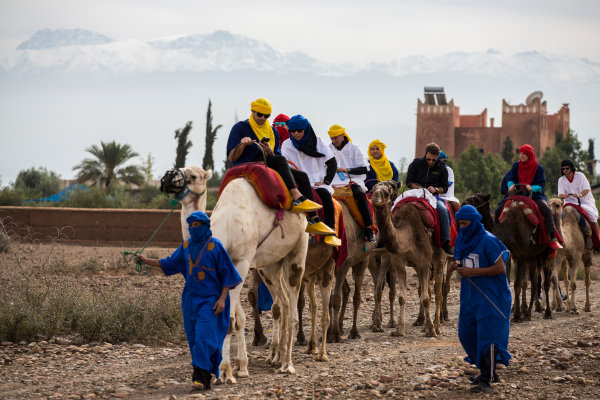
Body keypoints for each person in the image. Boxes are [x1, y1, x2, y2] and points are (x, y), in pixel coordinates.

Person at [135, 211, 243, 390]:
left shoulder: (215, 246)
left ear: (205, 226)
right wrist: (146, 260)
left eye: (197, 225)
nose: (194, 229)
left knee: (203, 336)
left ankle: (199, 378)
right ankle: (205, 376)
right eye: (191, 226)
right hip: (190, 300)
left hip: (211, 300)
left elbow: (228, 274)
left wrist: (223, 299)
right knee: (193, 338)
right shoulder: (186, 246)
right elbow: (169, 263)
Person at [226, 97, 332, 236]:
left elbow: (275, 155)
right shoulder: (240, 128)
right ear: (252, 112)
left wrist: (269, 151)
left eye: (266, 115)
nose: (263, 118)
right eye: (259, 114)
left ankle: (313, 219)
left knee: (302, 176)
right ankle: (297, 197)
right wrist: (242, 145)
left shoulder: (272, 131)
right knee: (281, 160)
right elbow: (231, 157)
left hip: (265, 164)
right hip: (245, 166)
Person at [448, 205, 512, 393]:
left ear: (475, 222)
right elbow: (461, 259)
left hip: (492, 296)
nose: (462, 227)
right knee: (467, 334)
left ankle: (487, 379)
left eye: (465, 223)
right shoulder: (461, 238)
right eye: (459, 224)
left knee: (488, 337)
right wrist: (455, 265)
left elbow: (500, 268)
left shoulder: (488, 241)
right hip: (470, 295)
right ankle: (487, 370)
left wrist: (471, 271)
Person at [281, 114, 342, 247]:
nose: (296, 133)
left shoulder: (318, 142)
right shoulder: (287, 144)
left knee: (325, 195)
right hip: (297, 181)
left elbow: (332, 163)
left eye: (299, 131)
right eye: (292, 131)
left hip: (316, 181)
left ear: (306, 129)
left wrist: (326, 182)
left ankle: (331, 232)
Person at [494, 144, 562, 250]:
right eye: (520, 153)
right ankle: (495, 238)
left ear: (529, 155)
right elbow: (511, 178)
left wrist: (532, 187)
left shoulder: (539, 168)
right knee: (498, 210)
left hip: (534, 195)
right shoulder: (516, 165)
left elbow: (541, 185)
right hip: (517, 194)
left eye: (524, 154)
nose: (521, 155)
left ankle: (553, 238)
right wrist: (510, 185)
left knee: (546, 210)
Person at [328, 124, 376, 242]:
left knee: (359, 194)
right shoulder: (328, 149)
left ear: (342, 136)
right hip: (332, 181)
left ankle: (368, 228)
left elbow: (364, 168)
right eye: (332, 139)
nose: (333, 141)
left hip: (352, 179)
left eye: (336, 138)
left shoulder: (354, 148)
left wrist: (347, 170)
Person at [405, 142, 452, 254]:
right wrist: (416, 186)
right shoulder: (415, 164)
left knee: (443, 210)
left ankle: (445, 242)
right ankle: (386, 238)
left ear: (437, 158)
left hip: (433, 197)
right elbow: (408, 182)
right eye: (428, 159)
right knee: (396, 205)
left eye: (433, 160)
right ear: (426, 154)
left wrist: (436, 189)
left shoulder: (442, 168)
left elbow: (444, 188)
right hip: (415, 194)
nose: (431, 162)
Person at [558, 158, 599, 231]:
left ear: (571, 168)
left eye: (567, 168)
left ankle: (597, 237)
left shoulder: (580, 176)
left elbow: (586, 189)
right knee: (557, 216)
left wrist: (579, 195)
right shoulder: (561, 179)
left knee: (593, 217)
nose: (565, 170)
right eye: (563, 169)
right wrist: (564, 195)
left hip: (584, 202)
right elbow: (560, 194)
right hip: (569, 202)